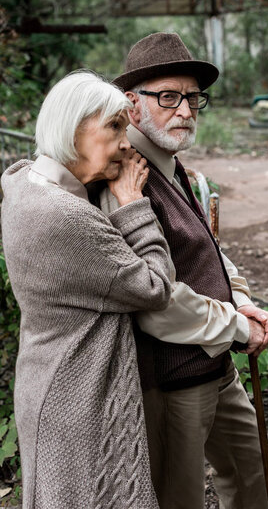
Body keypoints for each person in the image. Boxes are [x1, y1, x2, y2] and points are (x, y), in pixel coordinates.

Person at [97, 32, 268, 509]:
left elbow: (208, 251)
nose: (186, 110)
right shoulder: (126, 180)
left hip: (216, 360)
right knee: (181, 497)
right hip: (172, 378)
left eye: (193, 98)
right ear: (133, 105)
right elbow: (155, 301)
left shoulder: (176, 167)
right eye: (169, 97)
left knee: (251, 471)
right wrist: (237, 326)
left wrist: (242, 302)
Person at [0, 71, 172, 509]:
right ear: (71, 127)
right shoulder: (65, 217)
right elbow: (154, 286)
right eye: (114, 126)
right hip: (80, 392)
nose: (127, 143)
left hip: (47, 378)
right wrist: (133, 207)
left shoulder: (22, 182)